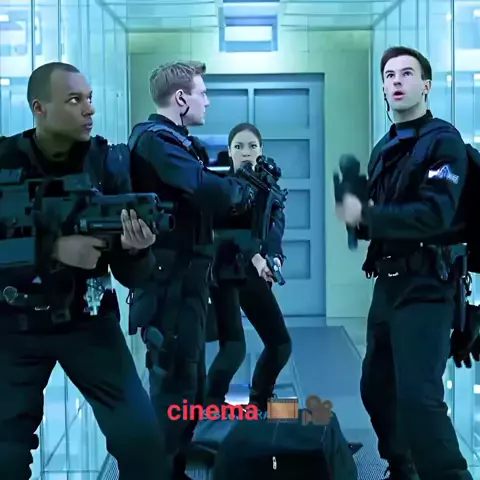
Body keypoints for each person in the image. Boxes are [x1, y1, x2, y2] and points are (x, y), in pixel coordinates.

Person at [0, 62, 168, 479]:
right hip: (14, 325)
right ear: (39, 108)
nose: (89, 109)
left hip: (88, 321)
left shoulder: (108, 164)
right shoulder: (4, 159)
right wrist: (53, 249)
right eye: (74, 100)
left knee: (144, 444)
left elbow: (133, 276)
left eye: (89, 98)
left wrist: (137, 250)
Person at [336, 46, 472, 480]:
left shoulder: (444, 141)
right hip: (389, 286)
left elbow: (436, 214)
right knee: (376, 389)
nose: (396, 80)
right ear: (383, 88)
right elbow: (377, 222)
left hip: (429, 284)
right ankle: (402, 469)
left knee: (419, 399)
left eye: (407, 73)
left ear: (426, 86)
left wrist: (369, 215)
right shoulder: (385, 147)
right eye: (390, 75)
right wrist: (356, 214)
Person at [127, 61, 254, 480]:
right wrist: (239, 190)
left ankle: (175, 464)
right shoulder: (156, 140)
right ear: (180, 98)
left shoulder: (174, 141)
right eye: (202, 93)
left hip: (187, 280)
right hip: (170, 283)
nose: (207, 101)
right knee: (174, 384)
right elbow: (203, 188)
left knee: (190, 381)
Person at [206, 123, 292, 412]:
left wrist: (274, 257)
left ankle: (260, 404)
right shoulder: (222, 189)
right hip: (224, 272)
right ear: (229, 151)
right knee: (233, 348)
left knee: (280, 344)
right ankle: (209, 408)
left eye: (252, 146)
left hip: (252, 274)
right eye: (239, 147)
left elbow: (274, 229)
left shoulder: (268, 190)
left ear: (261, 151)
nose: (246, 152)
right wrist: (254, 255)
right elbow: (219, 235)